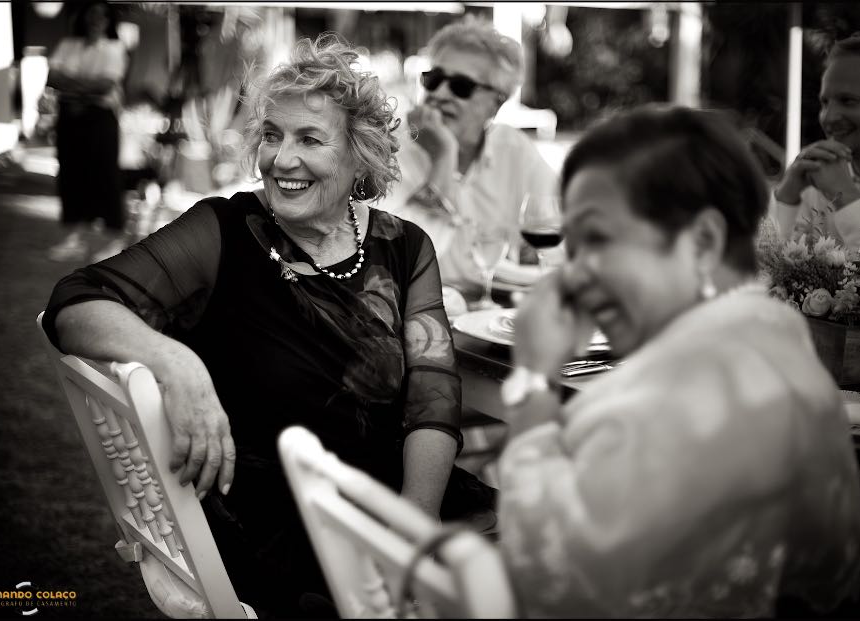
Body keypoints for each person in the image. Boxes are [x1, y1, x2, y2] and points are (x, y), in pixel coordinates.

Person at [42, 34, 493, 617]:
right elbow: (74, 302)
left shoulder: (405, 247)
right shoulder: (224, 231)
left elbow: (433, 398)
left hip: (393, 496)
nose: (280, 160)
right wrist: (177, 362)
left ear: (360, 155)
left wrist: (415, 521)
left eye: (310, 139)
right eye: (273, 135)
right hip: (280, 526)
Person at [497, 105, 860, 617]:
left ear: (702, 241)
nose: (574, 275)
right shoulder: (777, 339)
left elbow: (546, 581)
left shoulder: (685, 393)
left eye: (599, 239)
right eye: (575, 247)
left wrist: (534, 377)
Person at [377, 18, 559, 288]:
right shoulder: (389, 148)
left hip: (493, 305)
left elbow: (560, 225)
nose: (439, 93)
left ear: (496, 104)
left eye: (461, 86)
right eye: (434, 79)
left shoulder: (514, 150)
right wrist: (443, 158)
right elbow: (392, 258)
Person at [773, 34, 860, 251]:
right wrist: (786, 197)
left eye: (847, 101)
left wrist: (845, 197)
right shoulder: (814, 182)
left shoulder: (830, 184)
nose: (828, 118)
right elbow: (764, 267)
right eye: (824, 103)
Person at [46, 1, 129, 263]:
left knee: (105, 175)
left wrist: (71, 85)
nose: (96, 20)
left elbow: (105, 85)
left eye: (102, 16)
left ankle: (114, 239)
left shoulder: (115, 48)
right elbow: (52, 78)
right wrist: (87, 87)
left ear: (109, 21)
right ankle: (74, 238)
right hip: (70, 117)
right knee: (70, 174)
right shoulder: (68, 45)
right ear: (83, 16)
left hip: (100, 118)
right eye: (92, 13)